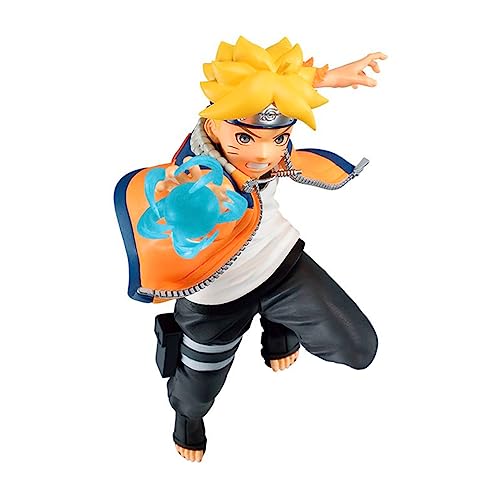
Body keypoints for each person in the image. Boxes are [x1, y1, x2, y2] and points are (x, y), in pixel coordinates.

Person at [114, 37, 386, 462]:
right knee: (197, 388)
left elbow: (282, 87)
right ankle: (186, 416)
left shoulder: (265, 131)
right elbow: (167, 218)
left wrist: (328, 77)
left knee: (357, 346)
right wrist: (185, 215)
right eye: (244, 137)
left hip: (280, 264)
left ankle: (279, 326)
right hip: (215, 294)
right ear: (213, 123)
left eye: (280, 138)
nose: (264, 154)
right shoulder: (191, 174)